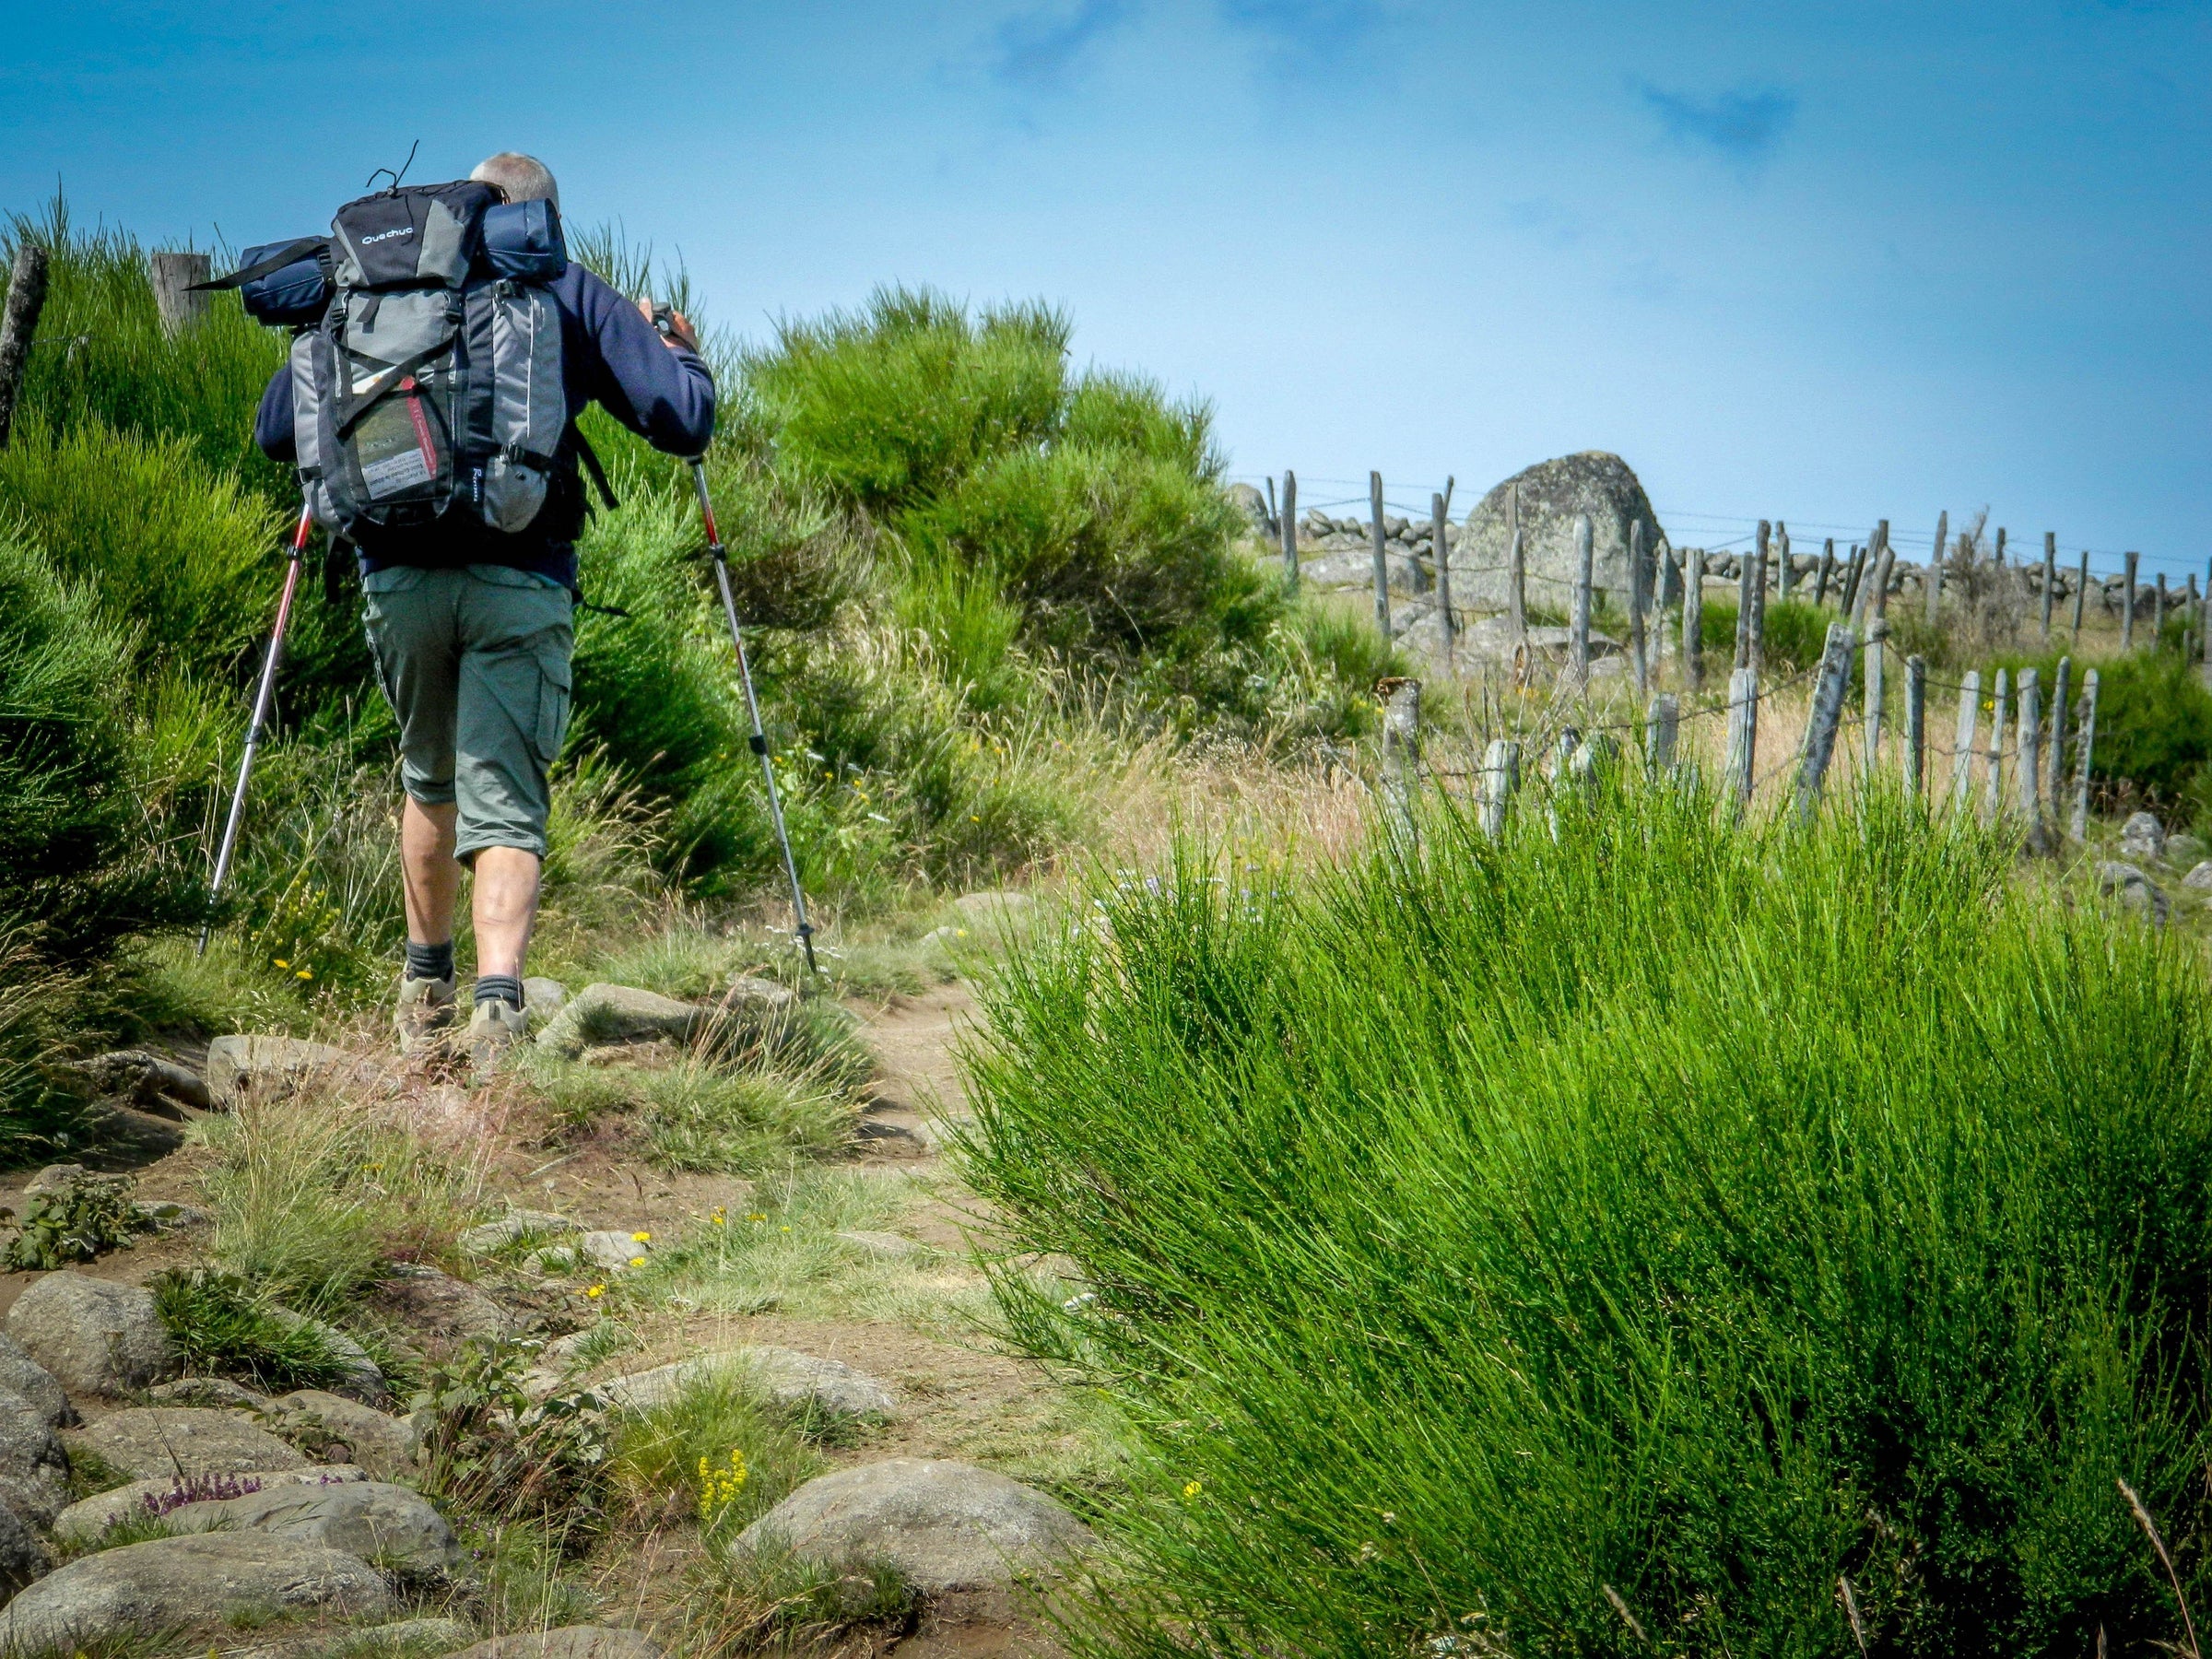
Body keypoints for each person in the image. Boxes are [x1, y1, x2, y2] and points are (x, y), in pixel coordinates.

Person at [253, 151, 714, 1064]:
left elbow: (276, 430)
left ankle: (422, 995)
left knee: (429, 780)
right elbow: (680, 418)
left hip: (398, 576)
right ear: (542, 221)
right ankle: (499, 1010)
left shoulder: (370, 290)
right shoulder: (559, 287)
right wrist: (677, 348)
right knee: (504, 792)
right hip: (518, 575)